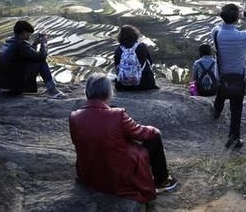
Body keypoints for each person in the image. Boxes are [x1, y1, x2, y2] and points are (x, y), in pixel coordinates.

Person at [69, 73, 177, 203]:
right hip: (118, 176)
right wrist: (154, 129)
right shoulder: (117, 115)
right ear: (108, 93)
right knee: (155, 136)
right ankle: (162, 181)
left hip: (90, 175)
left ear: (87, 93)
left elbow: (78, 143)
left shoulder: (74, 116)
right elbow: (142, 133)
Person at [212, 4, 246, 149]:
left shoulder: (215, 32)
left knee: (221, 93)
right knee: (236, 108)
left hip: (221, 75)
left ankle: (216, 111)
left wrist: (231, 17)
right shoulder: (241, 37)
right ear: (236, 19)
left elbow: (220, 26)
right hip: (238, 78)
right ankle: (234, 137)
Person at [0, 20, 65, 98]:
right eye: (29, 34)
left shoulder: (10, 42)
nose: (30, 36)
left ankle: (51, 89)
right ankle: (52, 90)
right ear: (24, 33)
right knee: (41, 62)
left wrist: (35, 43)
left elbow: (29, 55)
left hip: (3, 86)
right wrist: (44, 43)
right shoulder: (21, 45)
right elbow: (41, 56)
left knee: (36, 60)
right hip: (13, 88)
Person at [114, 25, 158, 91]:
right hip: (144, 85)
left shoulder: (119, 49)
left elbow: (117, 66)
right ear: (135, 34)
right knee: (146, 64)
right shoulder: (141, 46)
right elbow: (151, 62)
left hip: (123, 86)